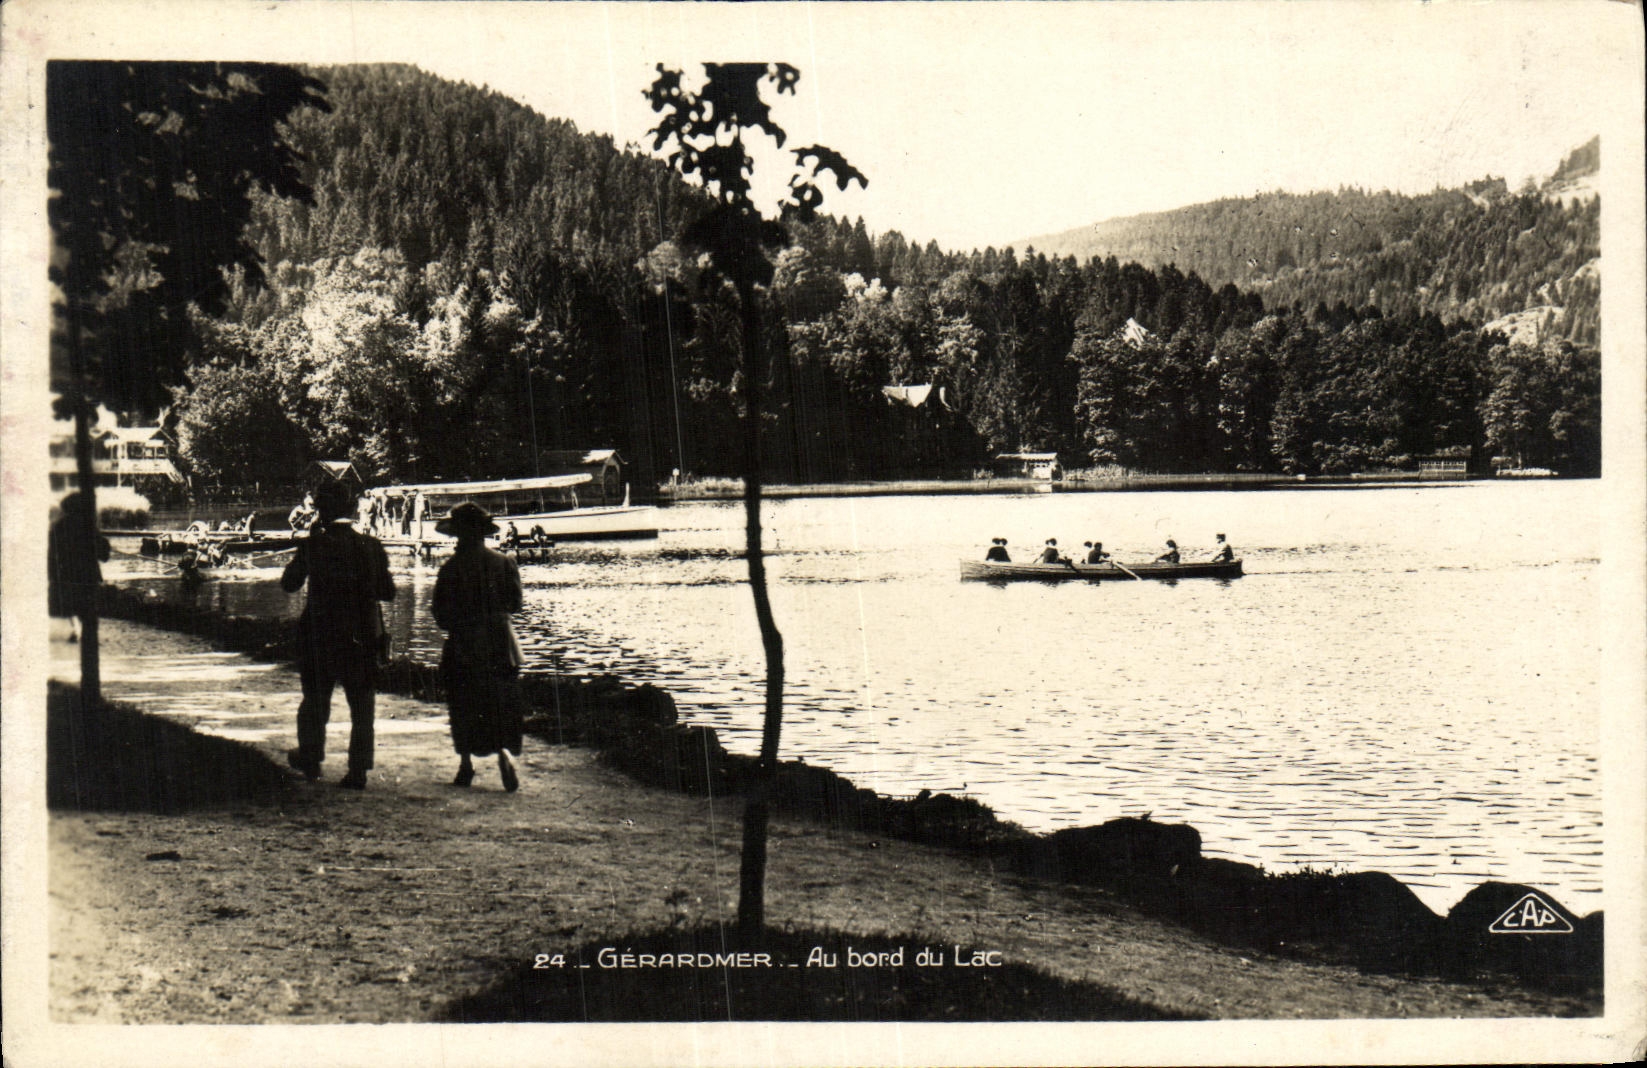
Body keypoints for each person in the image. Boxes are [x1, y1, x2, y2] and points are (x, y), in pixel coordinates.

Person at [281, 481, 396, 789]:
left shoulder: (313, 545)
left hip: (320, 635)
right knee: (362, 706)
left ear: (322, 511)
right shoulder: (371, 546)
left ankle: (312, 758)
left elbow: (289, 584)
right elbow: (389, 592)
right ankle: (358, 770)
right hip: (361, 636)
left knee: (315, 700)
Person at [431, 503, 526, 792]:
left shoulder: (450, 568)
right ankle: (504, 754)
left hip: (464, 642)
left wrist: (459, 623)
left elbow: (440, 613)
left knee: (462, 701)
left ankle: (466, 764)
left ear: (458, 535)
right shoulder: (504, 562)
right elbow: (516, 603)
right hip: (499, 641)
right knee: (500, 700)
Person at [48, 492, 111, 643]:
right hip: (88, 573)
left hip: (66, 572)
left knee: (70, 603)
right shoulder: (89, 526)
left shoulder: (58, 527)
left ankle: (76, 628)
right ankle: (85, 630)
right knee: (87, 602)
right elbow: (102, 552)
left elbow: (51, 552)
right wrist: (106, 547)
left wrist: (52, 573)